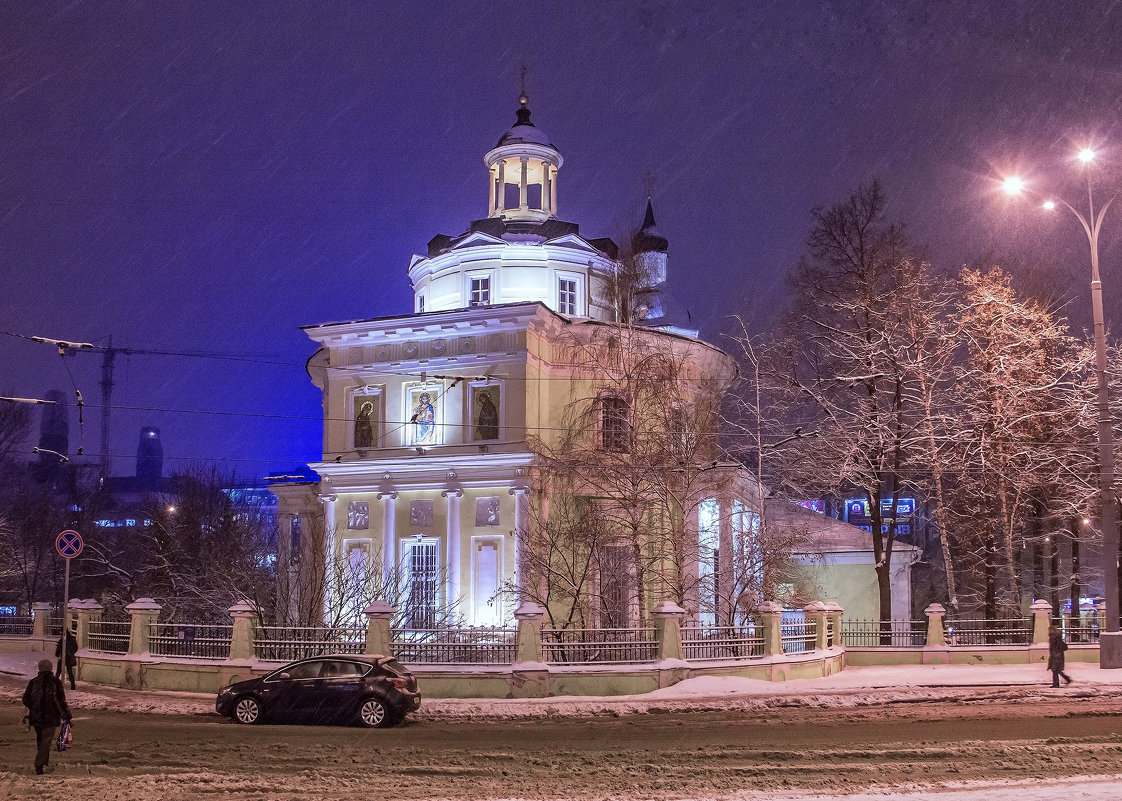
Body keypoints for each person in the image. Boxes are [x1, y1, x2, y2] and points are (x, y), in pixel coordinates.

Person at [22, 658, 72, 775]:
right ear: (51, 669)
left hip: (36, 717)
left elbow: (26, 699)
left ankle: (44, 763)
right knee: (46, 742)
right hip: (51, 717)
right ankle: (39, 765)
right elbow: (61, 701)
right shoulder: (56, 682)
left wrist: (34, 707)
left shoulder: (33, 682)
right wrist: (67, 716)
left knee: (41, 740)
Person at [55, 626, 78, 690]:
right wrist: (71, 653)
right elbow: (75, 648)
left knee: (58, 672)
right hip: (68, 658)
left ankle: (54, 685)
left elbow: (58, 650)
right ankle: (73, 686)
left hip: (63, 658)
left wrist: (58, 654)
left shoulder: (62, 640)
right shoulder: (72, 639)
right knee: (69, 672)